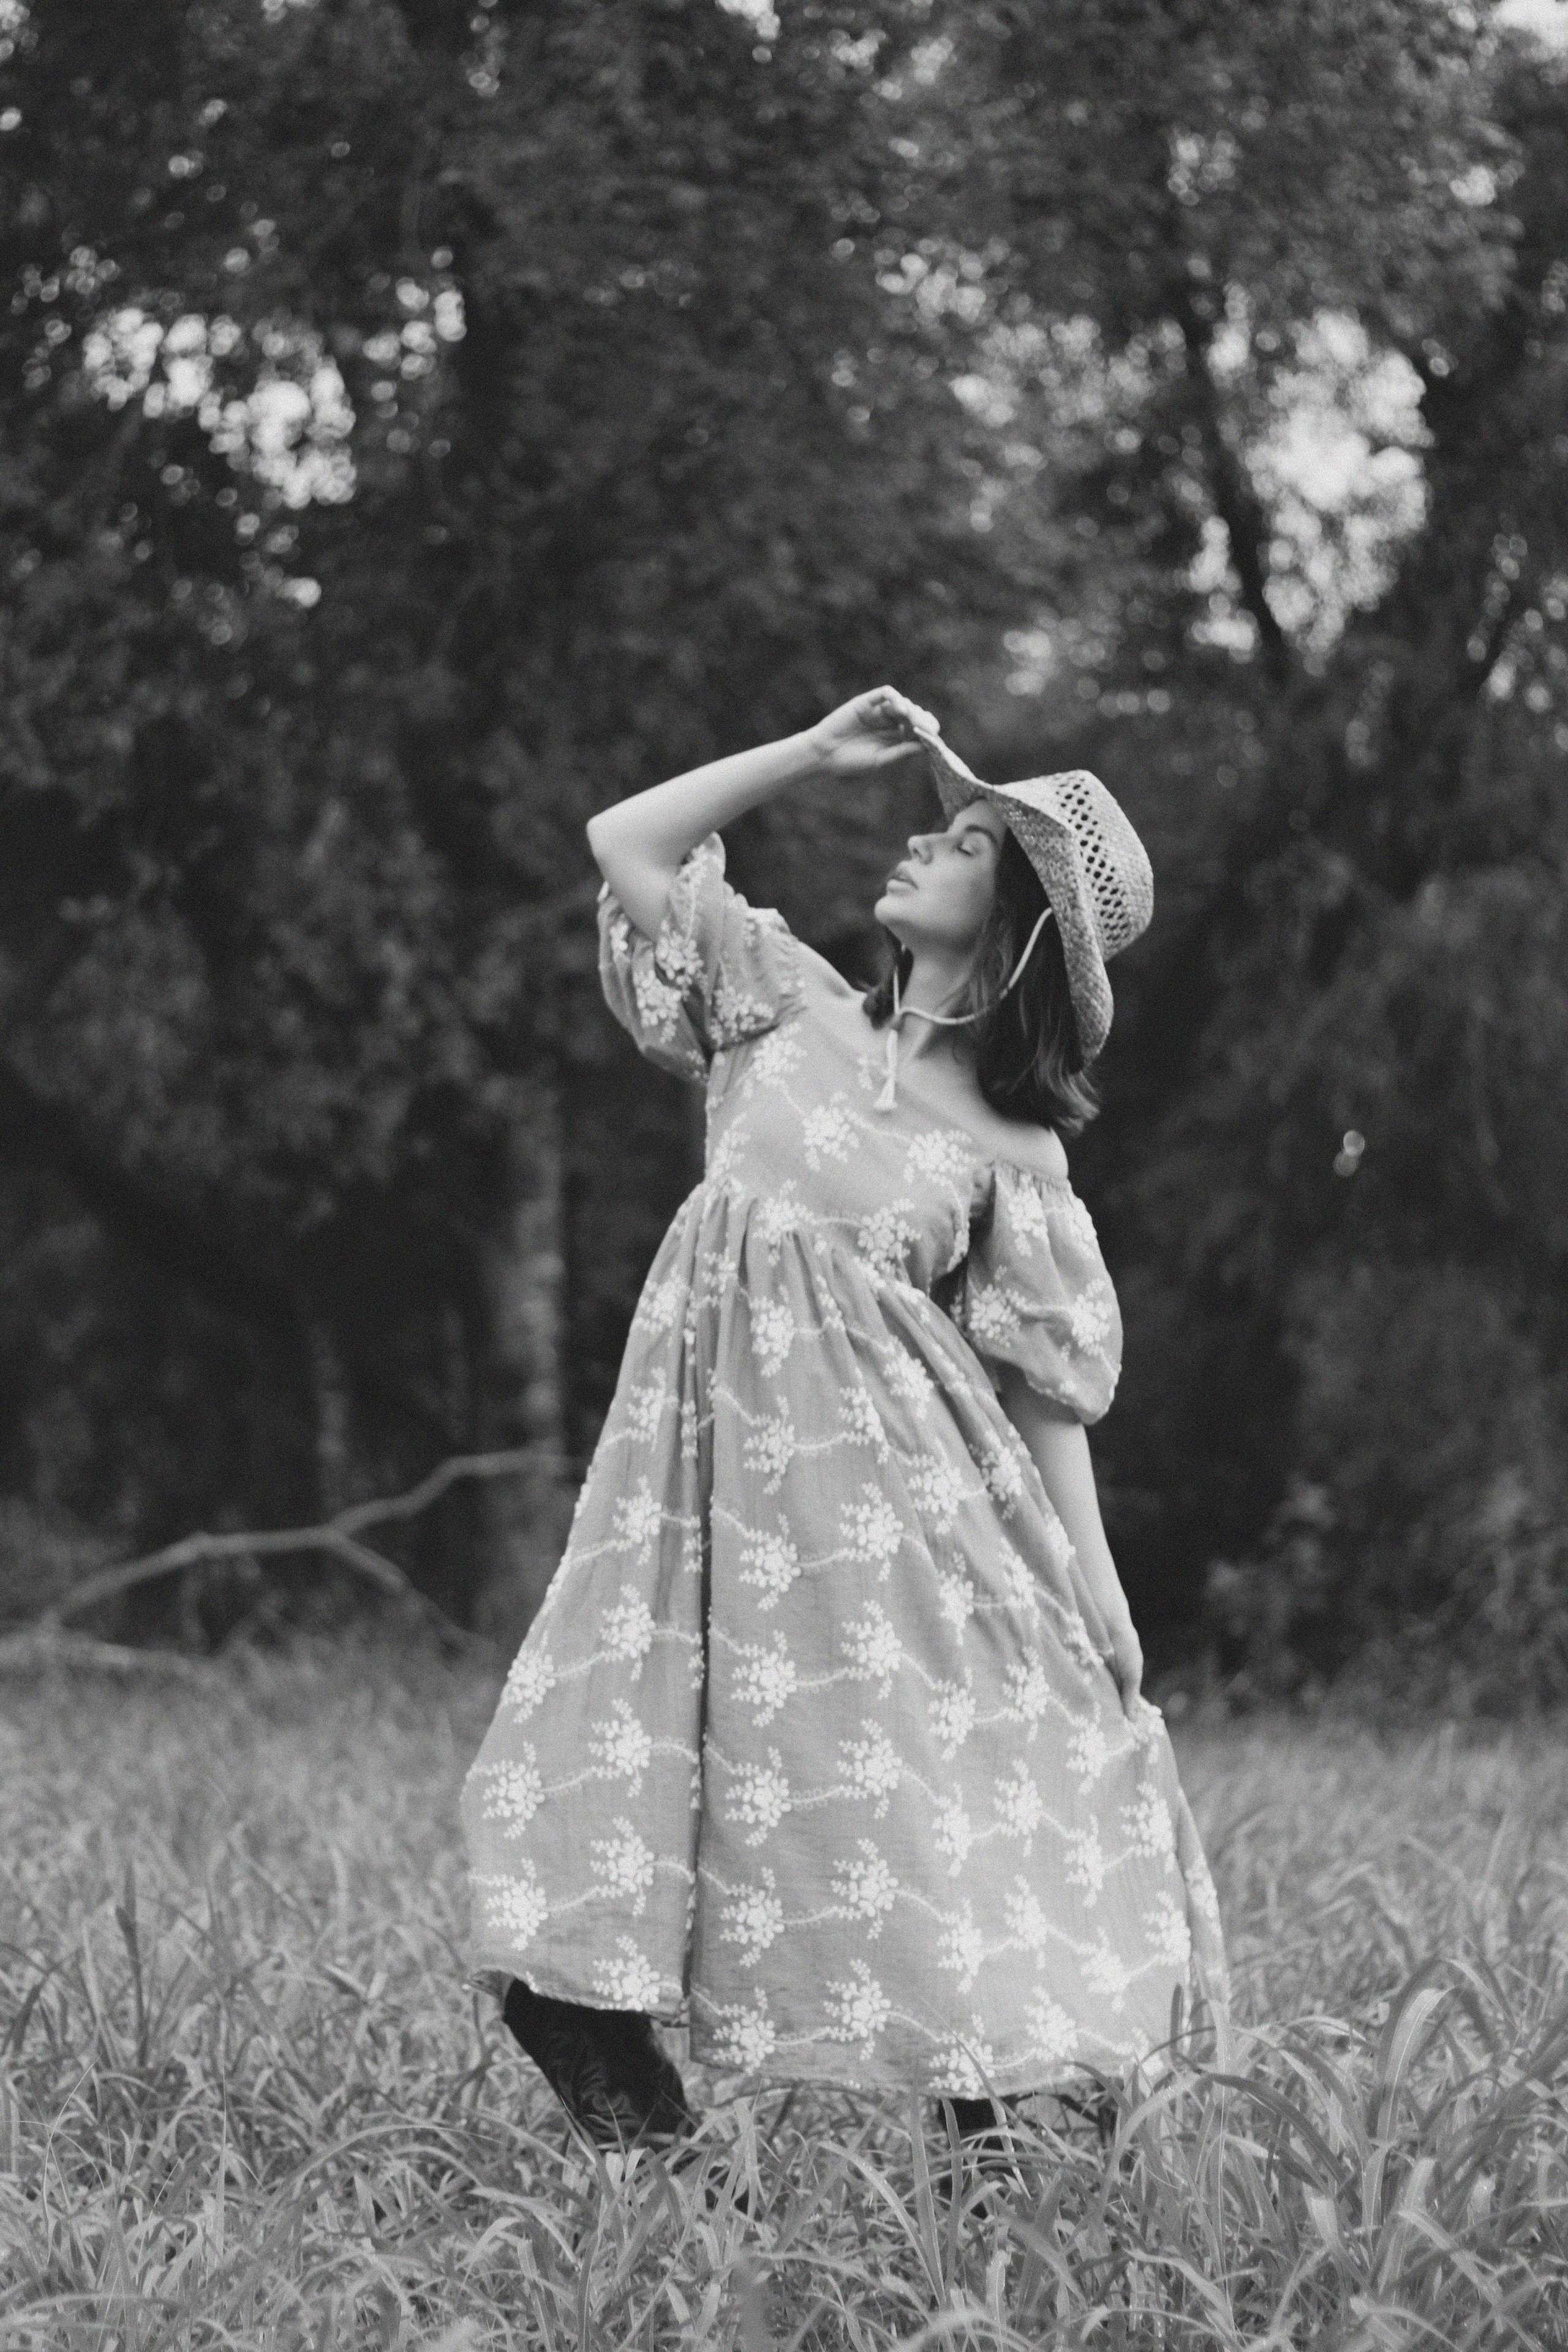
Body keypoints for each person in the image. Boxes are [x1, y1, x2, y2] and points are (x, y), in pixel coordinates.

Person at [459, 685, 1227, 2168]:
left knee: (935, 1820)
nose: (911, 849)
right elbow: (624, 837)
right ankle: (683, 2187)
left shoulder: (1012, 1146)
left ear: (1010, 923)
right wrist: (809, 750)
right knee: (578, 1795)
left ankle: (985, 2167)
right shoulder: (778, 1001)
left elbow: (1039, 1390)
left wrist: (1102, 1603)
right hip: (694, 1502)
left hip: (906, 1524)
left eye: (955, 845)